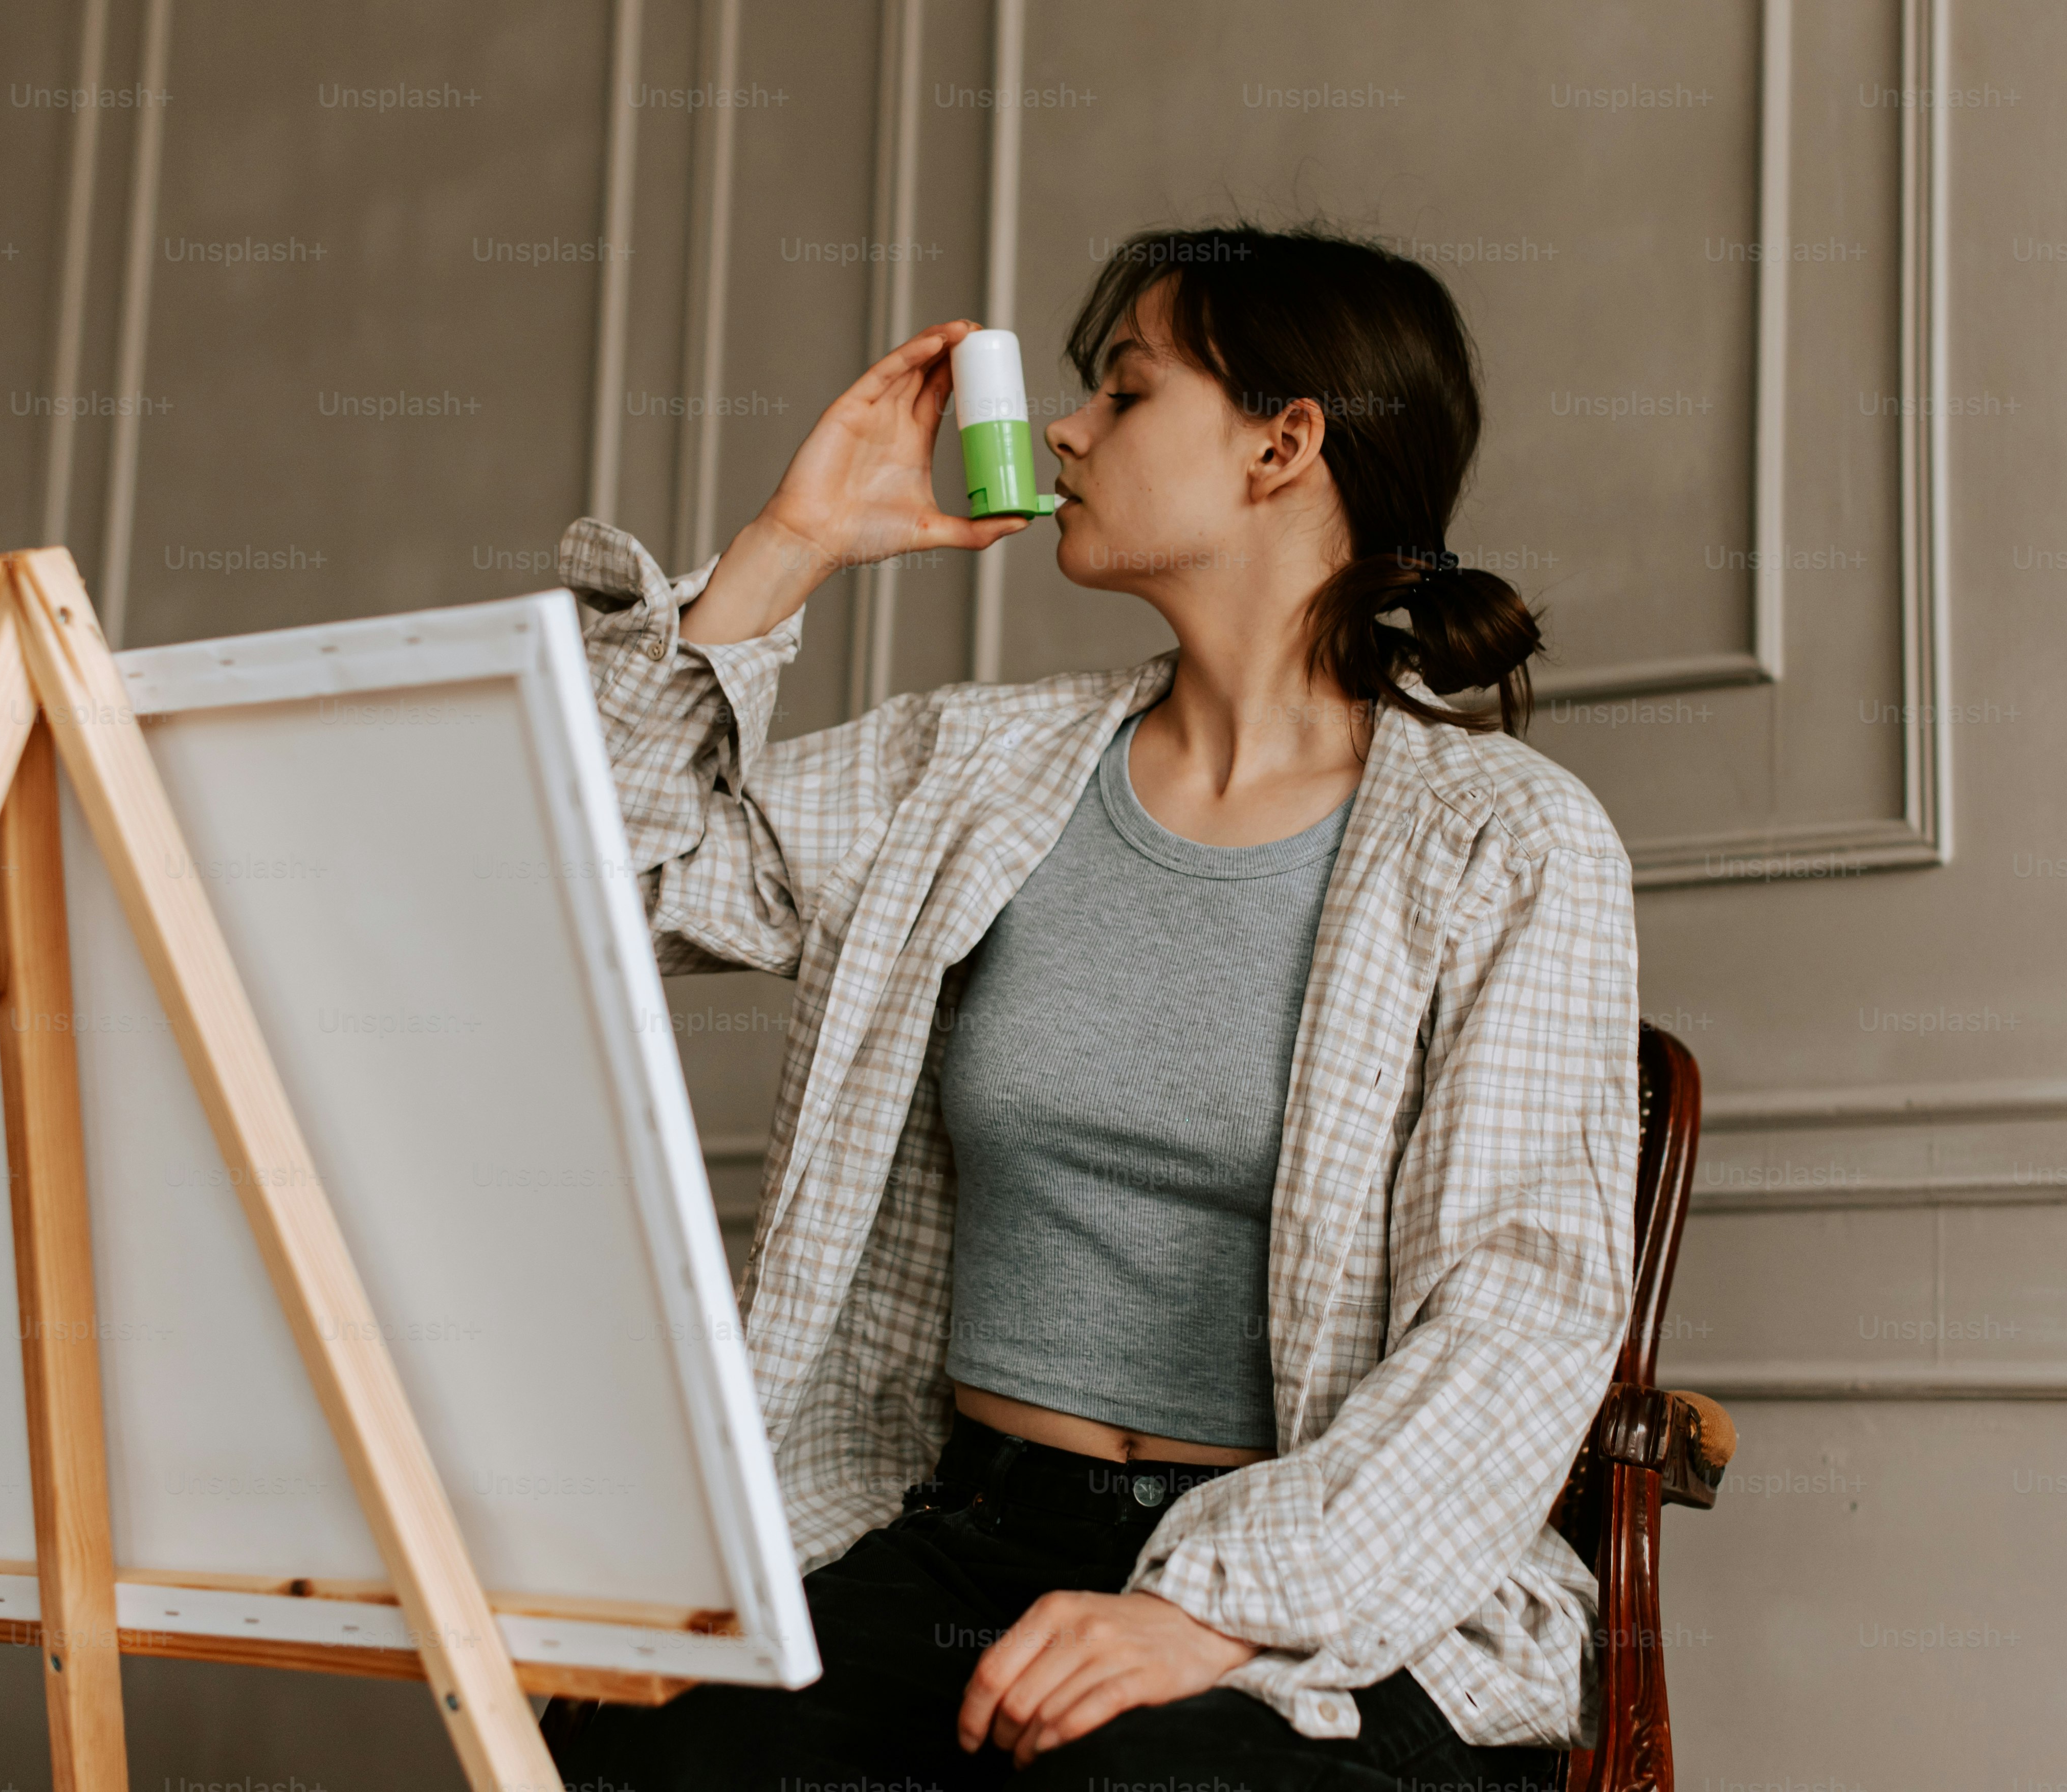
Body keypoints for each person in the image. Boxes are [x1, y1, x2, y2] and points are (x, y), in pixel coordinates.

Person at [543, 224, 1641, 1789]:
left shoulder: (1503, 843)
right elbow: (616, 881)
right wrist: (788, 546)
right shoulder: (975, 772)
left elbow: (1520, 1317)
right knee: (651, 1761)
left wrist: (1214, 1608)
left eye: (1121, 391)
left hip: (1328, 1576)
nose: (1061, 430)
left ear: (1284, 443)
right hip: (963, 1533)